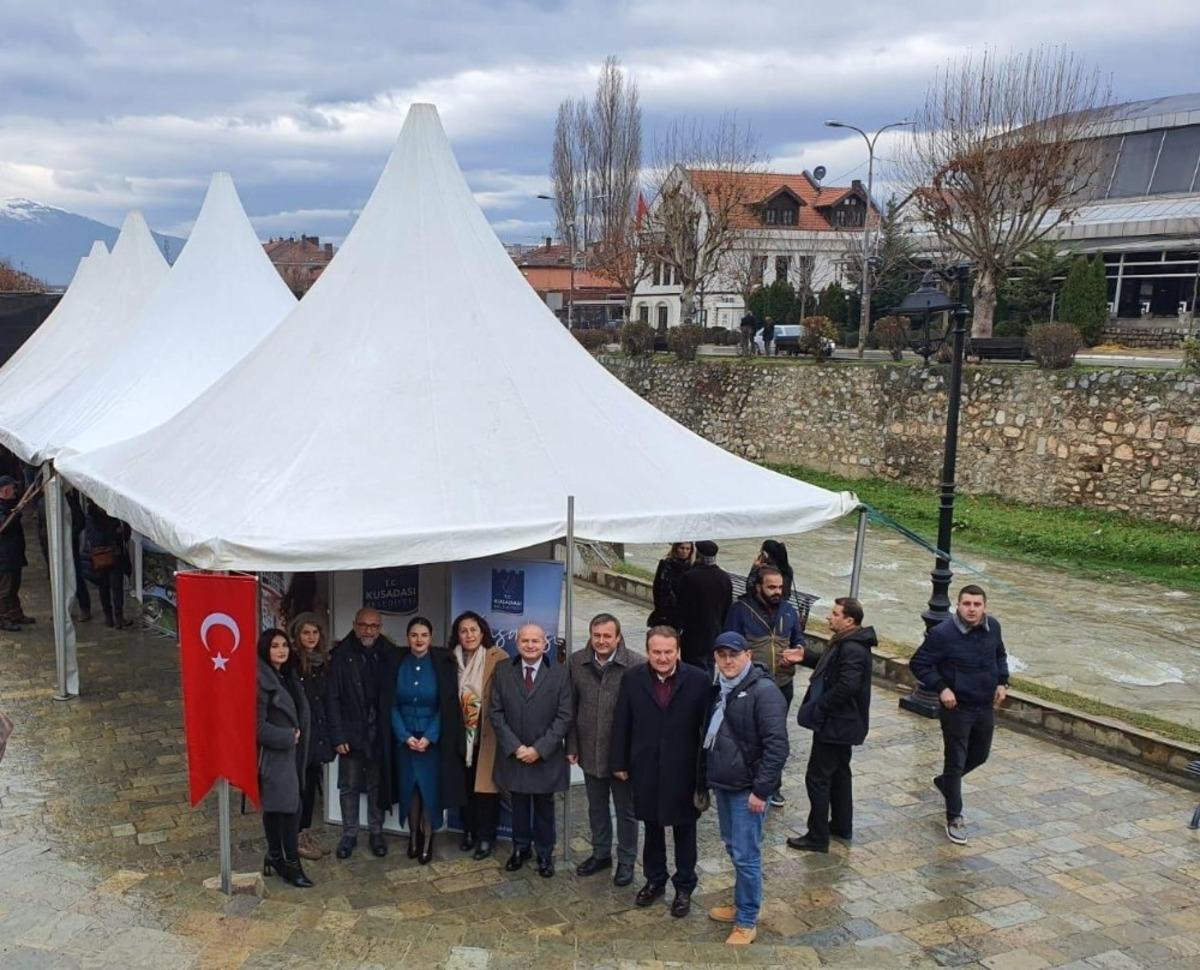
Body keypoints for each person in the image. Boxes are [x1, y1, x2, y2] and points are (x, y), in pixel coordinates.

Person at [610, 626, 711, 919]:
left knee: (684, 831)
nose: (663, 657)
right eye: (657, 652)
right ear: (647, 651)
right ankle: (654, 880)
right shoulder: (632, 678)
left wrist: (705, 772)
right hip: (647, 767)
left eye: (668, 652)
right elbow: (622, 721)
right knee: (652, 828)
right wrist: (619, 762)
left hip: (684, 770)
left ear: (678, 651)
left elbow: (707, 729)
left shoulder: (699, 680)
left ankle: (684, 886)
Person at [702, 632, 789, 945]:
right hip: (725, 783)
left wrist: (762, 791)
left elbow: (777, 746)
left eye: (734, 655)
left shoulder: (764, 693)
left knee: (746, 855)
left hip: (748, 790)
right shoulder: (720, 689)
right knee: (732, 847)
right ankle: (740, 903)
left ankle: (747, 919)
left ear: (748, 656)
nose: (727, 660)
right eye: (722, 654)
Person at [909, 585, 1009, 846]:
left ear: (984, 606)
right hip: (957, 708)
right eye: (967, 604)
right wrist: (942, 688)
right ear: (958, 605)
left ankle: (945, 783)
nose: (972, 609)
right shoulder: (942, 634)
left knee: (980, 754)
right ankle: (954, 816)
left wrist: (1002, 682)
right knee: (955, 760)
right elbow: (918, 663)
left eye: (977, 604)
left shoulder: (994, 627)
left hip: (984, 704)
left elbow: (1000, 655)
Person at [787, 598, 876, 854]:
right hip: (843, 724)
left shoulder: (852, 648)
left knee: (817, 778)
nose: (829, 617)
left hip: (837, 724)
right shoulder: (848, 643)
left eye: (835, 614)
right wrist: (806, 657)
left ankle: (817, 836)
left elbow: (847, 686)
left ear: (849, 620)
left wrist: (820, 706)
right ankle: (840, 825)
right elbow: (833, 668)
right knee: (839, 774)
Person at [567, 613, 646, 886]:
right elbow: (571, 707)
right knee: (596, 807)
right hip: (589, 750)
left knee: (626, 811)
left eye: (607, 636)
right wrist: (572, 745)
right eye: (596, 635)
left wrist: (632, 757)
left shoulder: (637, 665)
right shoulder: (577, 662)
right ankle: (601, 854)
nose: (601, 641)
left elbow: (642, 717)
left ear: (618, 637)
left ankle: (626, 860)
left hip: (622, 756)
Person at [489, 623, 573, 877]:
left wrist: (539, 749)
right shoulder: (502, 670)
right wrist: (515, 747)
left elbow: (564, 716)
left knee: (545, 806)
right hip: (515, 754)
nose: (530, 645)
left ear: (545, 644)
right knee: (519, 804)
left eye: (535, 641)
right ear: (517, 643)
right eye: (525, 641)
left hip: (545, 756)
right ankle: (520, 848)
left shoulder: (560, 673)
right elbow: (495, 712)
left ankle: (545, 853)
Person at [386, 616, 467, 865]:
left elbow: (447, 705)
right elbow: (391, 704)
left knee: (429, 791)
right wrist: (404, 736)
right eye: (414, 635)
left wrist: (430, 736)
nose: (418, 640)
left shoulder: (442, 664)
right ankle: (413, 837)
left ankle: (429, 840)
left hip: (433, 741)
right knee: (410, 791)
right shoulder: (398, 663)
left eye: (423, 635)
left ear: (431, 638)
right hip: (406, 739)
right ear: (407, 637)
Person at [723, 565, 804, 806]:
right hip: (750, 685)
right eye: (771, 587)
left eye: (780, 587)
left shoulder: (789, 611)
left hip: (782, 683)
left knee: (775, 735)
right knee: (748, 734)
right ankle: (744, 779)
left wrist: (798, 651)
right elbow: (729, 644)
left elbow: (799, 640)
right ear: (758, 587)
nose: (777, 591)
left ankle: (772, 785)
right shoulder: (740, 610)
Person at [326, 607, 397, 860]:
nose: (369, 630)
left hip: (379, 733)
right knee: (349, 785)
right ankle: (349, 834)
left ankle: (376, 832)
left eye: (374, 626)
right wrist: (338, 736)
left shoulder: (390, 654)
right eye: (364, 625)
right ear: (355, 625)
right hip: (350, 733)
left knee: (377, 785)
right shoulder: (340, 655)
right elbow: (332, 698)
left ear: (380, 627)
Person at [257, 627, 313, 888]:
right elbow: (256, 727)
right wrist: (287, 736)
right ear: (265, 650)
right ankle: (290, 863)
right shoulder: (260, 681)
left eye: (284, 646)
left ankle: (275, 855)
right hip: (275, 757)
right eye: (275, 646)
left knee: (284, 808)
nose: (281, 651)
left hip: (293, 756)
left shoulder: (288, 676)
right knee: (288, 810)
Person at [450, 610, 508, 859]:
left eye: (473, 630)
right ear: (457, 635)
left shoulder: (497, 657)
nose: (469, 635)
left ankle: (486, 837)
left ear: (482, 632)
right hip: (458, 734)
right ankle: (468, 832)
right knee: (464, 787)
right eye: (464, 631)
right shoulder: (450, 660)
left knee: (486, 789)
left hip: (487, 735)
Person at [290, 612, 334, 860]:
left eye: (315, 633)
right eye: (306, 632)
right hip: (300, 737)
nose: (311, 637)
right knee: (299, 788)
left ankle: (304, 832)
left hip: (317, 736)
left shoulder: (322, 663)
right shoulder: (293, 664)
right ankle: (295, 835)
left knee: (309, 789)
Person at [676, 540, 732, 671]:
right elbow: (727, 607)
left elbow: (681, 605)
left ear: (698, 555)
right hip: (715, 632)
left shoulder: (690, 577)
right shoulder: (724, 578)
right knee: (710, 665)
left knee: (693, 669)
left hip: (693, 633)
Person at [82, 506, 129, 629]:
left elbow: (125, 533)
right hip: (104, 556)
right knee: (106, 586)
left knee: (114, 586)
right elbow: (95, 537)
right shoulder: (94, 517)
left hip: (111, 555)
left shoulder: (112, 514)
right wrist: (115, 534)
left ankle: (116, 616)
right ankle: (111, 616)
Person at [0, 475, 29, 632]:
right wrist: (16, 512)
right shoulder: (2, 508)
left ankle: (16, 614)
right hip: (5, 555)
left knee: (14, 586)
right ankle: (3, 618)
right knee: (5, 589)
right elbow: (4, 526)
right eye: (12, 488)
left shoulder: (9, 504)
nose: (15, 491)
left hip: (14, 553)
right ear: (4, 491)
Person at [648, 542, 692, 629]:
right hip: (666, 609)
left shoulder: (691, 567)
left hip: (683, 610)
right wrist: (659, 608)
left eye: (687, 549)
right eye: (682, 548)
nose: (684, 552)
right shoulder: (665, 564)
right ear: (676, 548)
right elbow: (657, 587)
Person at [66, 490, 91, 622]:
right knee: (61, 578)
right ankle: (64, 609)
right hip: (52, 546)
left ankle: (84, 607)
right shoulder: (43, 501)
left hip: (70, 544)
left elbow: (80, 521)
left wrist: (69, 535)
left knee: (76, 576)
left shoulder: (69, 499)